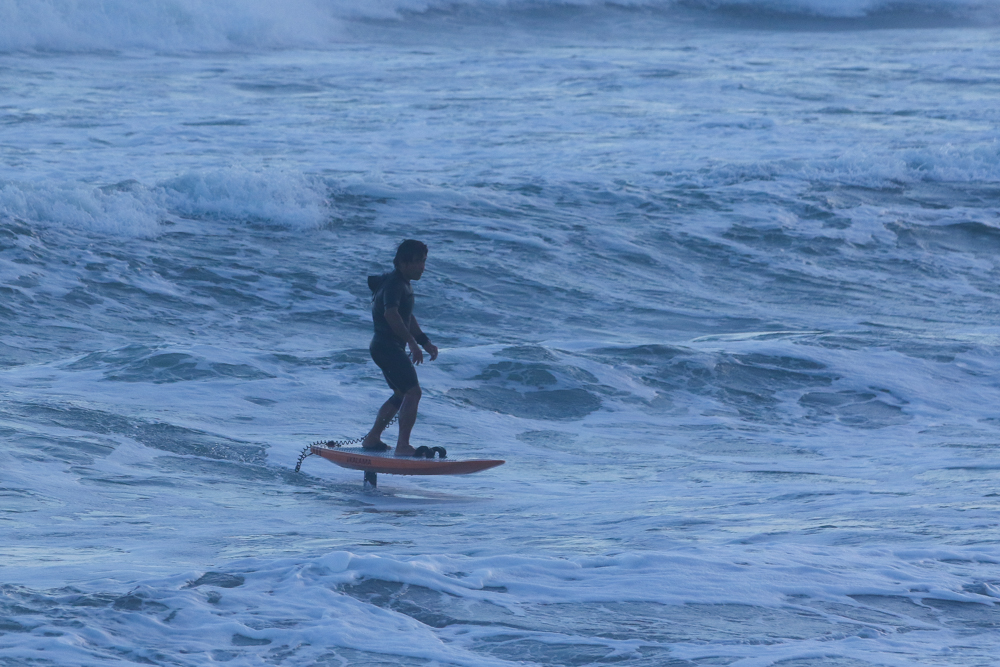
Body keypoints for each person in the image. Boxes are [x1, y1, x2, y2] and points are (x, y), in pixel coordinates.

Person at [361, 239, 438, 456]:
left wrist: (424, 341)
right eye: (418, 261)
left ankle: (372, 438)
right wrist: (412, 343)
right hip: (387, 347)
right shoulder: (395, 284)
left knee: (401, 393)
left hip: (383, 346)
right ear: (403, 263)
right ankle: (403, 445)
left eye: (424, 261)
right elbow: (391, 314)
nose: (422, 267)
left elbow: (406, 316)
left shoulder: (399, 282)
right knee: (413, 392)